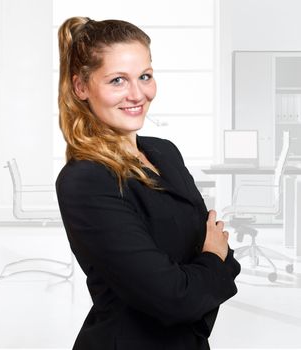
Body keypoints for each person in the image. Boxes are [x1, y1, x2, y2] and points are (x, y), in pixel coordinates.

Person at [56, 16, 241, 350]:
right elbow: (176, 297)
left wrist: (204, 272)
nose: (137, 94)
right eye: (117, 81)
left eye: (145, 76)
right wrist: (210, 261)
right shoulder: (86, 179)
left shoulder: (164, 153)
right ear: (80, 87)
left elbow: (228, 259)